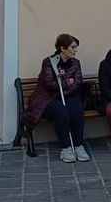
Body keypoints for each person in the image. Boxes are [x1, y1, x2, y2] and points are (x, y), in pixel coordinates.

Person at [24, 34, 90, 163]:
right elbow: (49, 83)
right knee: (61, 111)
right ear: (62, 48)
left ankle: (78, 145)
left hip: (67, 96)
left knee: (76, 109)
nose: (75, 50)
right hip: (47, 99)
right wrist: (68, 82)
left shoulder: (75, 63)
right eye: (73, 47)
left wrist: (64, 90)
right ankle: (66, 148)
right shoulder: (49, 62)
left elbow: (77, 83)